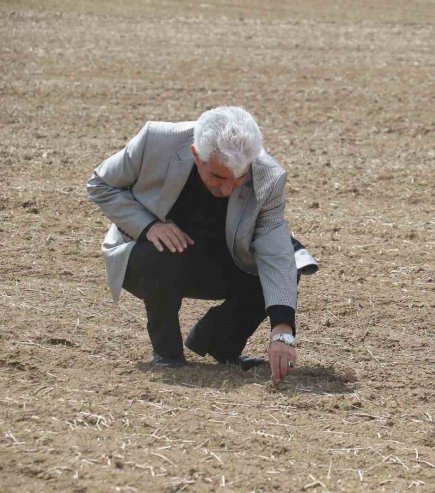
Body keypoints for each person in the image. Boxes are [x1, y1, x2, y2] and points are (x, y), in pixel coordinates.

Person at [86, 106, 316, 382]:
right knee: (164, 251)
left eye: (238, 179)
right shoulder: (157, 139)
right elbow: (101, 184)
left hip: (222, 254)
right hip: (149, 259)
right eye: (218, 177)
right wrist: (148, 226)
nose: (227, 189)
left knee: (291, 256)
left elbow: (276, 253)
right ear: (196, 154)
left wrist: (282, 331)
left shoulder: (269, 175)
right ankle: (167, 353)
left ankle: (219, 341)